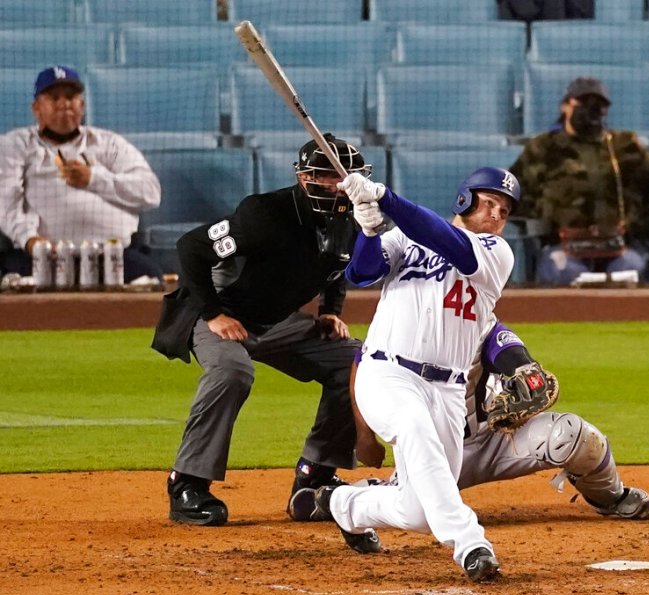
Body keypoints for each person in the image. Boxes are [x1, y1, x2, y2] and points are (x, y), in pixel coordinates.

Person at [294, 167, 520, 582]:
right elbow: (360, 274)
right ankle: (472, 544)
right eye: (488, 202)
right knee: (413, 426)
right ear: (464, 200)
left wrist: (385, 197)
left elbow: (450, 243)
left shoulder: (496, 253)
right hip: (387, 373)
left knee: (418, 511)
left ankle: (346, 505)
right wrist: (368, 227)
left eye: (503, 210)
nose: (495, 214)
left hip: (448, 392)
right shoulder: (406, 237)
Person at [151, 135, 373, 534]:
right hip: (219, 312)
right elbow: (191, 248)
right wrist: (214, 313)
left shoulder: (355, 219)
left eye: (346, 176)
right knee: (233, 372)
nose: (340, 185)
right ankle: (187, 485)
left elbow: (337, 266)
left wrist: (329, 312)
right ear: (305, 178)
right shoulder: (265, 214)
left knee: (356, 364)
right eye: (329, 176)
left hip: (277, 321)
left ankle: (314, 481)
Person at [290, 319, 649, 523]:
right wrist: (365, 434)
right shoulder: (401, 325)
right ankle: (336, 499)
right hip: (436, 452)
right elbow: (360, 364)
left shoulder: (482, 322)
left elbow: (514, 355)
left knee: (571, 435)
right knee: (412, 508)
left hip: (496, 440)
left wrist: (525, 376)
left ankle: (613, 497)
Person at [0, 65, 163, 282]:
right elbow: (5, 201)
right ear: (36, 108)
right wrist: (31, 241)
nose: (64, 103)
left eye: (70, 97)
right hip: (41, 257)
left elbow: (151, 192)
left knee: (156, 287)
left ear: (82, 105)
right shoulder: (14, 145)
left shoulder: (110, 143)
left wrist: (94, 179)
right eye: (53, 97)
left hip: (115, 256)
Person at [509, 76, 649, 285]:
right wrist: (542, 220)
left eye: (599, 105)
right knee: (567, 275)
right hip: (563, 246)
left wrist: (634, 225)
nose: (592, 110)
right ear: (566, 106)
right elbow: (510, 194)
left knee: (627, 274)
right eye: (583, 103)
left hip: (621, 246)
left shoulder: (626, 146)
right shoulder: (542, 148)